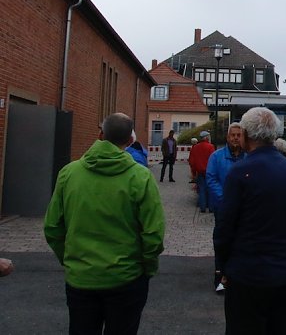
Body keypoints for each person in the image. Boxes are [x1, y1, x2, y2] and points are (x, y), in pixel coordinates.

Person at [44, 112, 165, 335]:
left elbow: (52, 227)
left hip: (81, 278)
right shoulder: (140, 177)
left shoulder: (69, 173)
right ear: (130, 140)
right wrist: (147, 268)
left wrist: (70, 260)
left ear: (100, 134)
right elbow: (153, 233)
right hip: (126, 278)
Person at [213, 107, 286, 334]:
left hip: (248, 274)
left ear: (245, 134)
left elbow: (224, 227)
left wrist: (223, 266)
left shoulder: (240, 172)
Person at [207, 122, 246, 292]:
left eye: (239, 135)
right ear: (227, 137)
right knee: (222, 242)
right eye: (233, 135)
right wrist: (226, 200)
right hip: (223, 209)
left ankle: (238, 277)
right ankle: (221, 277)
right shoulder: (216, 157)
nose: (236, 138)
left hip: (243, 209)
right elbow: (211, 179)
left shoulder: (248, 157)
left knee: (241, 242)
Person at [188, 131, 215, 213]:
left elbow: (192, 162)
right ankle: (211, 207)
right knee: (210, 189)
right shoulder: (211, 147)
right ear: (206, 137)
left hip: (199, 172)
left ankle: (202, 207)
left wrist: (193, 173)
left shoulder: (196, 147)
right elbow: (213, 160)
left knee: (201, 190)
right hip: (209, 172)